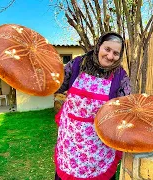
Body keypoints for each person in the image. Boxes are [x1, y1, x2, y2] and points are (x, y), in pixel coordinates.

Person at [54, 32, 131, 180]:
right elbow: (57, 86)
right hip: (71, 141)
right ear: (98, 46)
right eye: (107, 49)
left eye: (115, 53)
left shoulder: (120, 76)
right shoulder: (77, 64)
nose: (110, 56)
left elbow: (125, 107)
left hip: (100, 146)